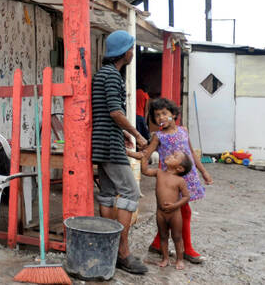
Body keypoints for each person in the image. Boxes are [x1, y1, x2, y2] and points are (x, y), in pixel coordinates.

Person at [91, 30, 149, 275]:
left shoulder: (101, 74)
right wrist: (136, 134)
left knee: (107, 194)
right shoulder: (113, 76)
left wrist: (122, 132)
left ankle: (108, 248)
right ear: (125, 52)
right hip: (110, 145)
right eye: (132, 48)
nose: (133, 52)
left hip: (101, 142)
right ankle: (122, 252)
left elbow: (105, 113)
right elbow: (115, 111)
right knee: (130, 191)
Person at [143, 98, 213, 264]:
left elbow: (191, 153)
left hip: (189, 177)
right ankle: (187, 250)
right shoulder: (158, 137)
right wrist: (140, 160)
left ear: (173, 114)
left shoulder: (183, 130)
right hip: (171, 182)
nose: (160, 117)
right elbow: (146, 154)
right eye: (157, 115)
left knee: (175, 213)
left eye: (164, 113)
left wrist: (203, 171)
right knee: (184, 212)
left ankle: (156, 244)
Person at [141, 150, 192, 270]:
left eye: (174, 156)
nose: (170, 155)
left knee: (177, 237)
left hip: (175, 214)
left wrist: (175, 206)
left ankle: (179, 260)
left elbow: (186, 197)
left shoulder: (180, 181)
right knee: (163, 236)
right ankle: (165, 259)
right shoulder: (159, 172)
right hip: (160, 213)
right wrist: (144, 157)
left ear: (179, 168)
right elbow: (145, 171)